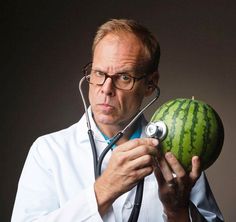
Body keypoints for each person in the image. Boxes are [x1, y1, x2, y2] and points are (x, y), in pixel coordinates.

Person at [11, 19, 224, 222]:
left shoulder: (177, 155)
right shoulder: (49, 151)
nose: (106, 88)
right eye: (99, 73)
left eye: (124, 77)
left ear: (150, 84)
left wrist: (177, 211)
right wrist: (103, 190)